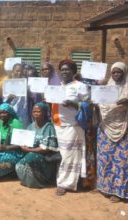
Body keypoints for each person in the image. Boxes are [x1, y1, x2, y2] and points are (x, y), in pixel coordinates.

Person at [52, 59, 89, 196]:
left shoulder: (80, 86)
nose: (64, 72)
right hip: (58, 125)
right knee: (64, 155)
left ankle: (64, 184)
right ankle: (69, 180)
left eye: (67, 69)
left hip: (73, 126)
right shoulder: (58, 86)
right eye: (62, 69)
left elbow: (88, 105)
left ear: (74, 71)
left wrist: (73, 104)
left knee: (69, 156)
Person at [97, 62, 128, 202]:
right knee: (106, 158)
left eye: (119, 72)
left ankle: (118, 191)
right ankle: (105, 187)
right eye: (113, 72)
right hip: (106, 127)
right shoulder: (106, 88)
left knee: (121, 162)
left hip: (124, 128)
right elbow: (100, 104)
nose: (116, 75)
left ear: (124, 73)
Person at [15, 102, 59, 188]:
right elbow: (25, 141)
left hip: (46, 158)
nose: (36, 114)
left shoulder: (49, 127)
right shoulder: (31, 126)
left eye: (38, 111)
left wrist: (29, 150)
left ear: (44, 113)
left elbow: (46, 149)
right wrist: (23, 145)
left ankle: (41, 181)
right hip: (31, 153)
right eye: (34, 111)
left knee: (27, 159)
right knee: (19, 163)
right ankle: (29, 181)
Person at [0, 103, 23, 181]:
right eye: (0, 112)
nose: (2, 115)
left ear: (10, 112)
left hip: (14, 151)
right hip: (2, 148)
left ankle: (10, 172)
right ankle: (6, 172)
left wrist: (6, 147)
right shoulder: (0, 123)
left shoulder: (15, 123)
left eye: (5, 112)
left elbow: (21, 143)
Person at [6, 63, 30, 128]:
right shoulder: (7, 84)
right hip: (11, 114)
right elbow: (4, 103)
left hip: (23, 115)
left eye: (21, 71)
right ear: (13, 71)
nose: (19, 73)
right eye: (17, 71)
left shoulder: (27, 84)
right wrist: (9, 99)